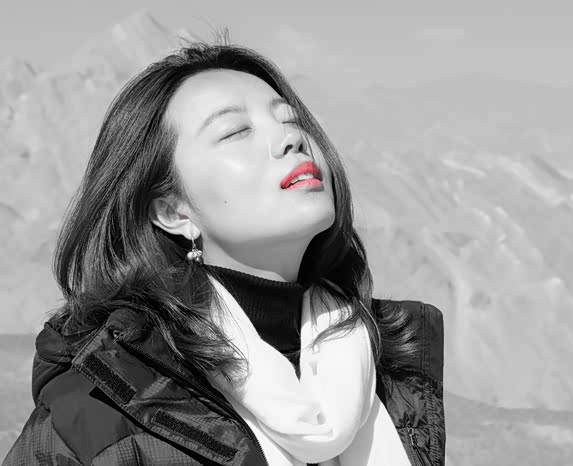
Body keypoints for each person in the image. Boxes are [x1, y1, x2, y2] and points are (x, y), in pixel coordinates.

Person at [3, 38, 445, 466]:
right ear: (173, 211)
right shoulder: (98, 416)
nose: (290, 141)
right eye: (236, 131)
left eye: (291, 121)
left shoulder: (393, 366)